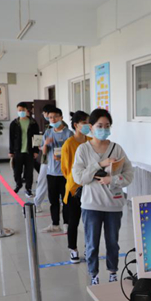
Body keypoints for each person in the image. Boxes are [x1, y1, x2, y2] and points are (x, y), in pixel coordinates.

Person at [72, 109, 133, 285]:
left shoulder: (117, 149)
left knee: (113, 242)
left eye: (107, 126)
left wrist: (112, 179)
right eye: (100, 126)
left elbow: (129, 175)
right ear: (91, 127)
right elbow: (79, 178)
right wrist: (99, 164)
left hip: (113, 205)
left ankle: (113, 272)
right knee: (92, 243)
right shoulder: (83, 149)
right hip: (91, 205)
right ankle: (93, 274)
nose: (103, 129)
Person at [61, 110, 91, 263]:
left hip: (90, 186)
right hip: (74, 188)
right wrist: (76, 180)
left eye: (89, 123)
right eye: (84, 123)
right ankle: (73, 249)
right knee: (74, 221)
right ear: (76, 125)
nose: (88, 126)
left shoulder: (91, 141)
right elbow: (65, 169)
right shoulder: (69, 144)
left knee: (89, 221)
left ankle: (88, 248)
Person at [41, 107, 73, 233]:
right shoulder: (48, 133)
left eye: (55, 117)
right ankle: (55, 224)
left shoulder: (68, 134)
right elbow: (44, 153)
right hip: (51, 173)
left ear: (61, 117)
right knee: (53, 200)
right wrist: (45, 144)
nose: (53, 119)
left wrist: (62, 157)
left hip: (65, 173)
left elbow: (72, 153)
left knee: (66, 200)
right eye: (50, 117)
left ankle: (66, 223)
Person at [9, 102, 39, 196]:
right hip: (18, 151)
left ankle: (28, 188)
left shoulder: (33, 123)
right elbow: (11, 138)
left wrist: (36, 151)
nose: (21, 112)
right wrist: (11, 151)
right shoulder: (14, 123)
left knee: (29, 172)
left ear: (27, 110)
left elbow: (37, 137)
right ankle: (18, 184)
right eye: (19, 110)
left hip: (30, 151)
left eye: (23, 110)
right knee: (17, 171)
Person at [34, 104, 58, 212]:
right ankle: (37, 203)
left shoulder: (61, 128)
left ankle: (58, 204)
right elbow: (43, 144)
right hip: (46, 158)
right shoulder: (48, 127)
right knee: (42, 181)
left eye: (44, 113)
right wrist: (42, 146)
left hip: (56, 159)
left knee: (57, 182)